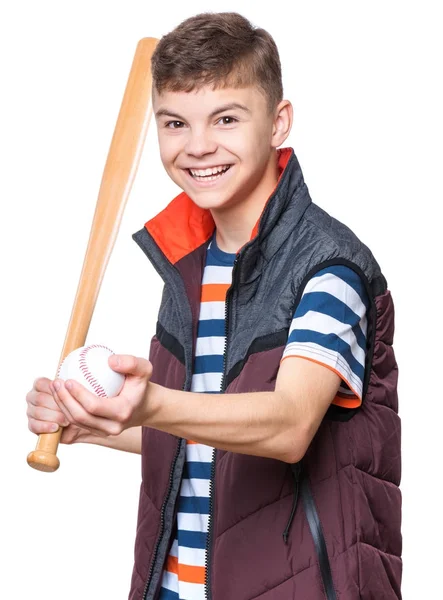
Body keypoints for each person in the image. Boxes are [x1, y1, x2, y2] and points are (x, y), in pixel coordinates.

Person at [26, 12, 401, 600]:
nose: (197, 146)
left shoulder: (329, 266)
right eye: (175, 122)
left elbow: (287, 425)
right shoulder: (189, 267)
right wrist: (96, 423)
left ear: (278, 123)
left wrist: (150, 402)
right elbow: (198, 433)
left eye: (225, 118)